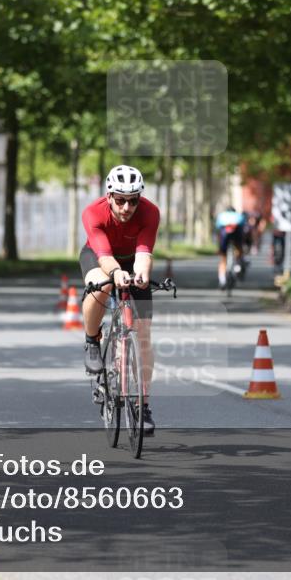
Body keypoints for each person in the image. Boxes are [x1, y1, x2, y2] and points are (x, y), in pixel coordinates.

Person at [80, 164, 160, 436]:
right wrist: (115, 274)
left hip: (132, 261)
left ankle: (143, 405)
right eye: (121, 200)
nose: (127, 207)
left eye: (133, 200)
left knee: (145, 334)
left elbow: (144, 253)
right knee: (97, 287)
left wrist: (141, 275)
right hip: (100, 258)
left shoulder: (150, 212)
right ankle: (92, 340)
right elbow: (103, 254)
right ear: (109, 195)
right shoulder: (93, 213)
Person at [215, 205, 248, 288]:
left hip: (224, 236)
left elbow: (218, 229)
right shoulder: (239, 216)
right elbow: (244, 228)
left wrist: (218, 247)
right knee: (239, 248)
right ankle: (237, 266)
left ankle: (222, 280)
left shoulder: (221, 216)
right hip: (236, 235)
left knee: (223, 258)